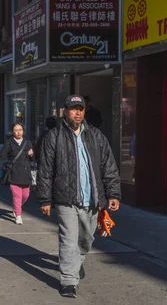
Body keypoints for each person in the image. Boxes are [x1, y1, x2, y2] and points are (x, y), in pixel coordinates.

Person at [37, 95, 121, 298]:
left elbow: (108, 166)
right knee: (68, 239)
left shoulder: (96, 136)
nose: (78, 113)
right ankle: (68, 281)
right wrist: (45, 199)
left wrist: (113, 193)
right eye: (74, 109)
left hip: (92, 199)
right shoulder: (53, 137)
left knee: (86, 239)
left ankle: (76, 263)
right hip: (65, 199)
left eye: (81, 109)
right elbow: (45, 170)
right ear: (65, 111)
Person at [0, 122, 35, 225]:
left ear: (23, 131)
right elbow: (2, 158)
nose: (18, 132)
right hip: (13, 173)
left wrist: (31, 154)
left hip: (25, 173)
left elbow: (33, 159)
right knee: (17, 195)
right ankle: (18, 215)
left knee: (25, 195)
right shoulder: (9, 143)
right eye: (16, 130)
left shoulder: (27, 142)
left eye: (20, 130)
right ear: (13, 132)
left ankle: (16, 208)